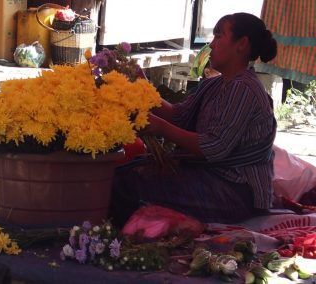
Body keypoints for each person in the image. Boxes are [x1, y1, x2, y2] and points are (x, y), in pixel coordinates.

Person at [109, 12, 278, 227]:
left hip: (235, 191)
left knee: (129, 183)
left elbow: (214, 147)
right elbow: (179, 116)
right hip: (209, 176)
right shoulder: (215, 84)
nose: (212, 44)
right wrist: (141, 86)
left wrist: (161, 128)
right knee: (125, 169)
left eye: (219, 37)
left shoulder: (244, 88)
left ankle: (115, 245)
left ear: (241, 44)